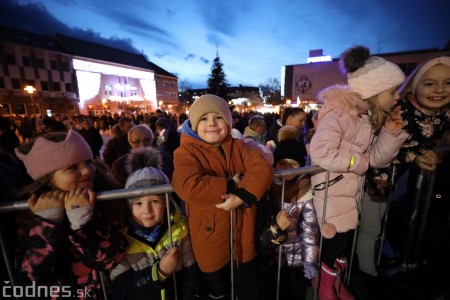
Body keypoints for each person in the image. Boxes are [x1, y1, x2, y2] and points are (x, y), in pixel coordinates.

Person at [309, 45, 408, 300]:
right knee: (333, 246)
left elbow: (375, 158)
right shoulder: (341, 115)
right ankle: (324, 289)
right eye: (392, 91)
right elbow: (322, 152)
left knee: (342, 246)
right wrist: (359, 161)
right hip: (332, 193)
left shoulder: (363, 119)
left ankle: (334, 285)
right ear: (374, 91)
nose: (397, 97)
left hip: (347, 196)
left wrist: (391, 134)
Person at [171, 94, 274, 300]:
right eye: (204, 118)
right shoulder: (186, 152)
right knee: (218, 289)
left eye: (218, 117)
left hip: (243, 232)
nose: (211, 123)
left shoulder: (239, 146)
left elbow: (261, 168)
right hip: (210, 235)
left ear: (227, 121)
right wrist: (229, 183)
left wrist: (241, 195)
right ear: (193, 123)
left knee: (247, 286)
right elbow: (188, 185)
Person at [358, 56, 450, 280]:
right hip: (372, 178)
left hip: (393, 180)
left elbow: (434, 143)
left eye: (448, 82)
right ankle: (367, 275)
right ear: (415, 84)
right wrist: (417, 154)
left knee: (378, 226)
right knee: (370, 229)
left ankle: (375, 261)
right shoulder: (399, 110)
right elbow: (377, 148)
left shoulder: (443, 115)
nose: (439, 89)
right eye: (429, 83)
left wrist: (432, 152)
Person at [12, 129, 128, 299]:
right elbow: (31, 282)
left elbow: (108, 260)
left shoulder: (107, 199)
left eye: (89, 162)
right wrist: (46, 222)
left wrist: (82, 222)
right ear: (47, 177)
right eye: (72, 167)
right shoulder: (27, 215)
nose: (88, 171)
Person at [110, 147, 200, 300]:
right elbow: (121, 288)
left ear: (166, 203)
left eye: (154, 201)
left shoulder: (179, 230)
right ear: (129, 205)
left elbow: (191, 276)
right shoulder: (122, 238)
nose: (147, 210)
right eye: (138, 203)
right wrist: (159, 272)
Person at [261, 125, 320, 299]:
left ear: (301, 165)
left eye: (293, 164)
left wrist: (309, 261)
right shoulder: (269, 186)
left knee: (296, 291)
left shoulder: (304, 190)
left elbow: (310, 230)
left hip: (297, 255)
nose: (287, 169)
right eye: (282, 163)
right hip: (274, 254)